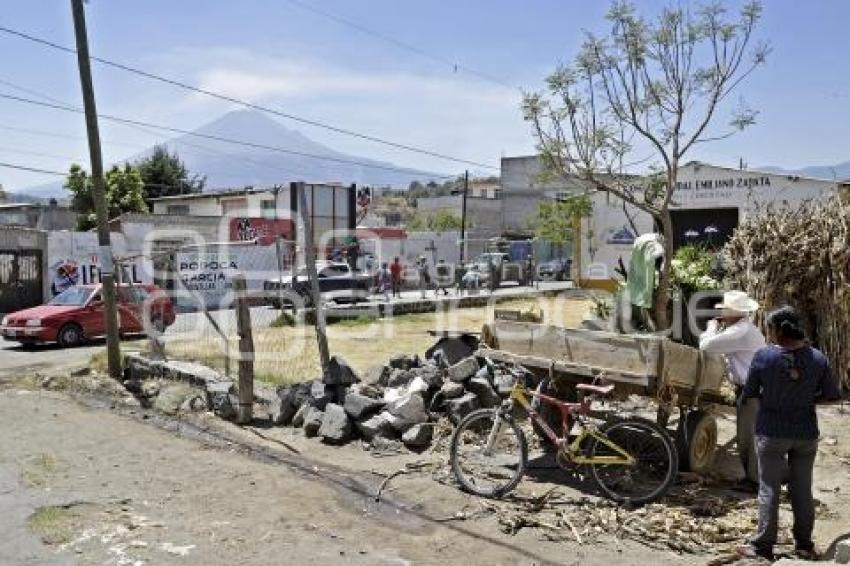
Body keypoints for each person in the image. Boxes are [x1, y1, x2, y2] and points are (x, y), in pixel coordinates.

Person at [738, 306, 841, 561]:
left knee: (769, 488)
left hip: (771, 432)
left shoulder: (763, 357)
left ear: (777, 330)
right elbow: (832, 395)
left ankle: (763, 547)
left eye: (769, 328)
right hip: (805, 434)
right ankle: (804, 545)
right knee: (802, 489)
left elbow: (749, 392)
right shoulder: (818, 358)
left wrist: (771, 396)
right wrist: (807, 398)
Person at [699, 290, 766, 486]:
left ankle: (756, 481)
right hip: (752, 388)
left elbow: (706, 345)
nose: (721, 316)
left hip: (751, 389)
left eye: (725, 312)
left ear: (734, 313)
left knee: (749, 437)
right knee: (749, 436)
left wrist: (711, 327)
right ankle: (761, 478)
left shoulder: (740, 332)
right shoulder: (742, 329)